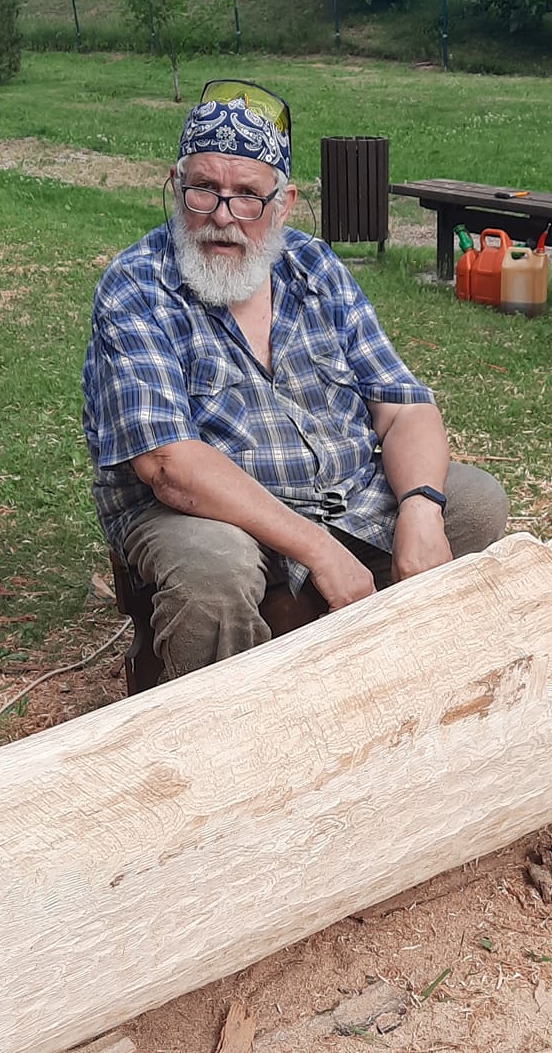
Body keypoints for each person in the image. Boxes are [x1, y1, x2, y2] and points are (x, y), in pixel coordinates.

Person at [83, 80, 509, 680]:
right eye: (204, 190)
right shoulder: (136, 285)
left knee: (473, 503)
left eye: (247, 196)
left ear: (283, 204)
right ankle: (230, 718)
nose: (222, 217)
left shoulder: (314, 266)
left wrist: (420, 506)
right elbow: (169, 466)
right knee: (213, 573)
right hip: (214, 520)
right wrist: (317, 549)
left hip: (345, 497)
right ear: (175, 187)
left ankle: (403, 680)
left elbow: (404, 407)